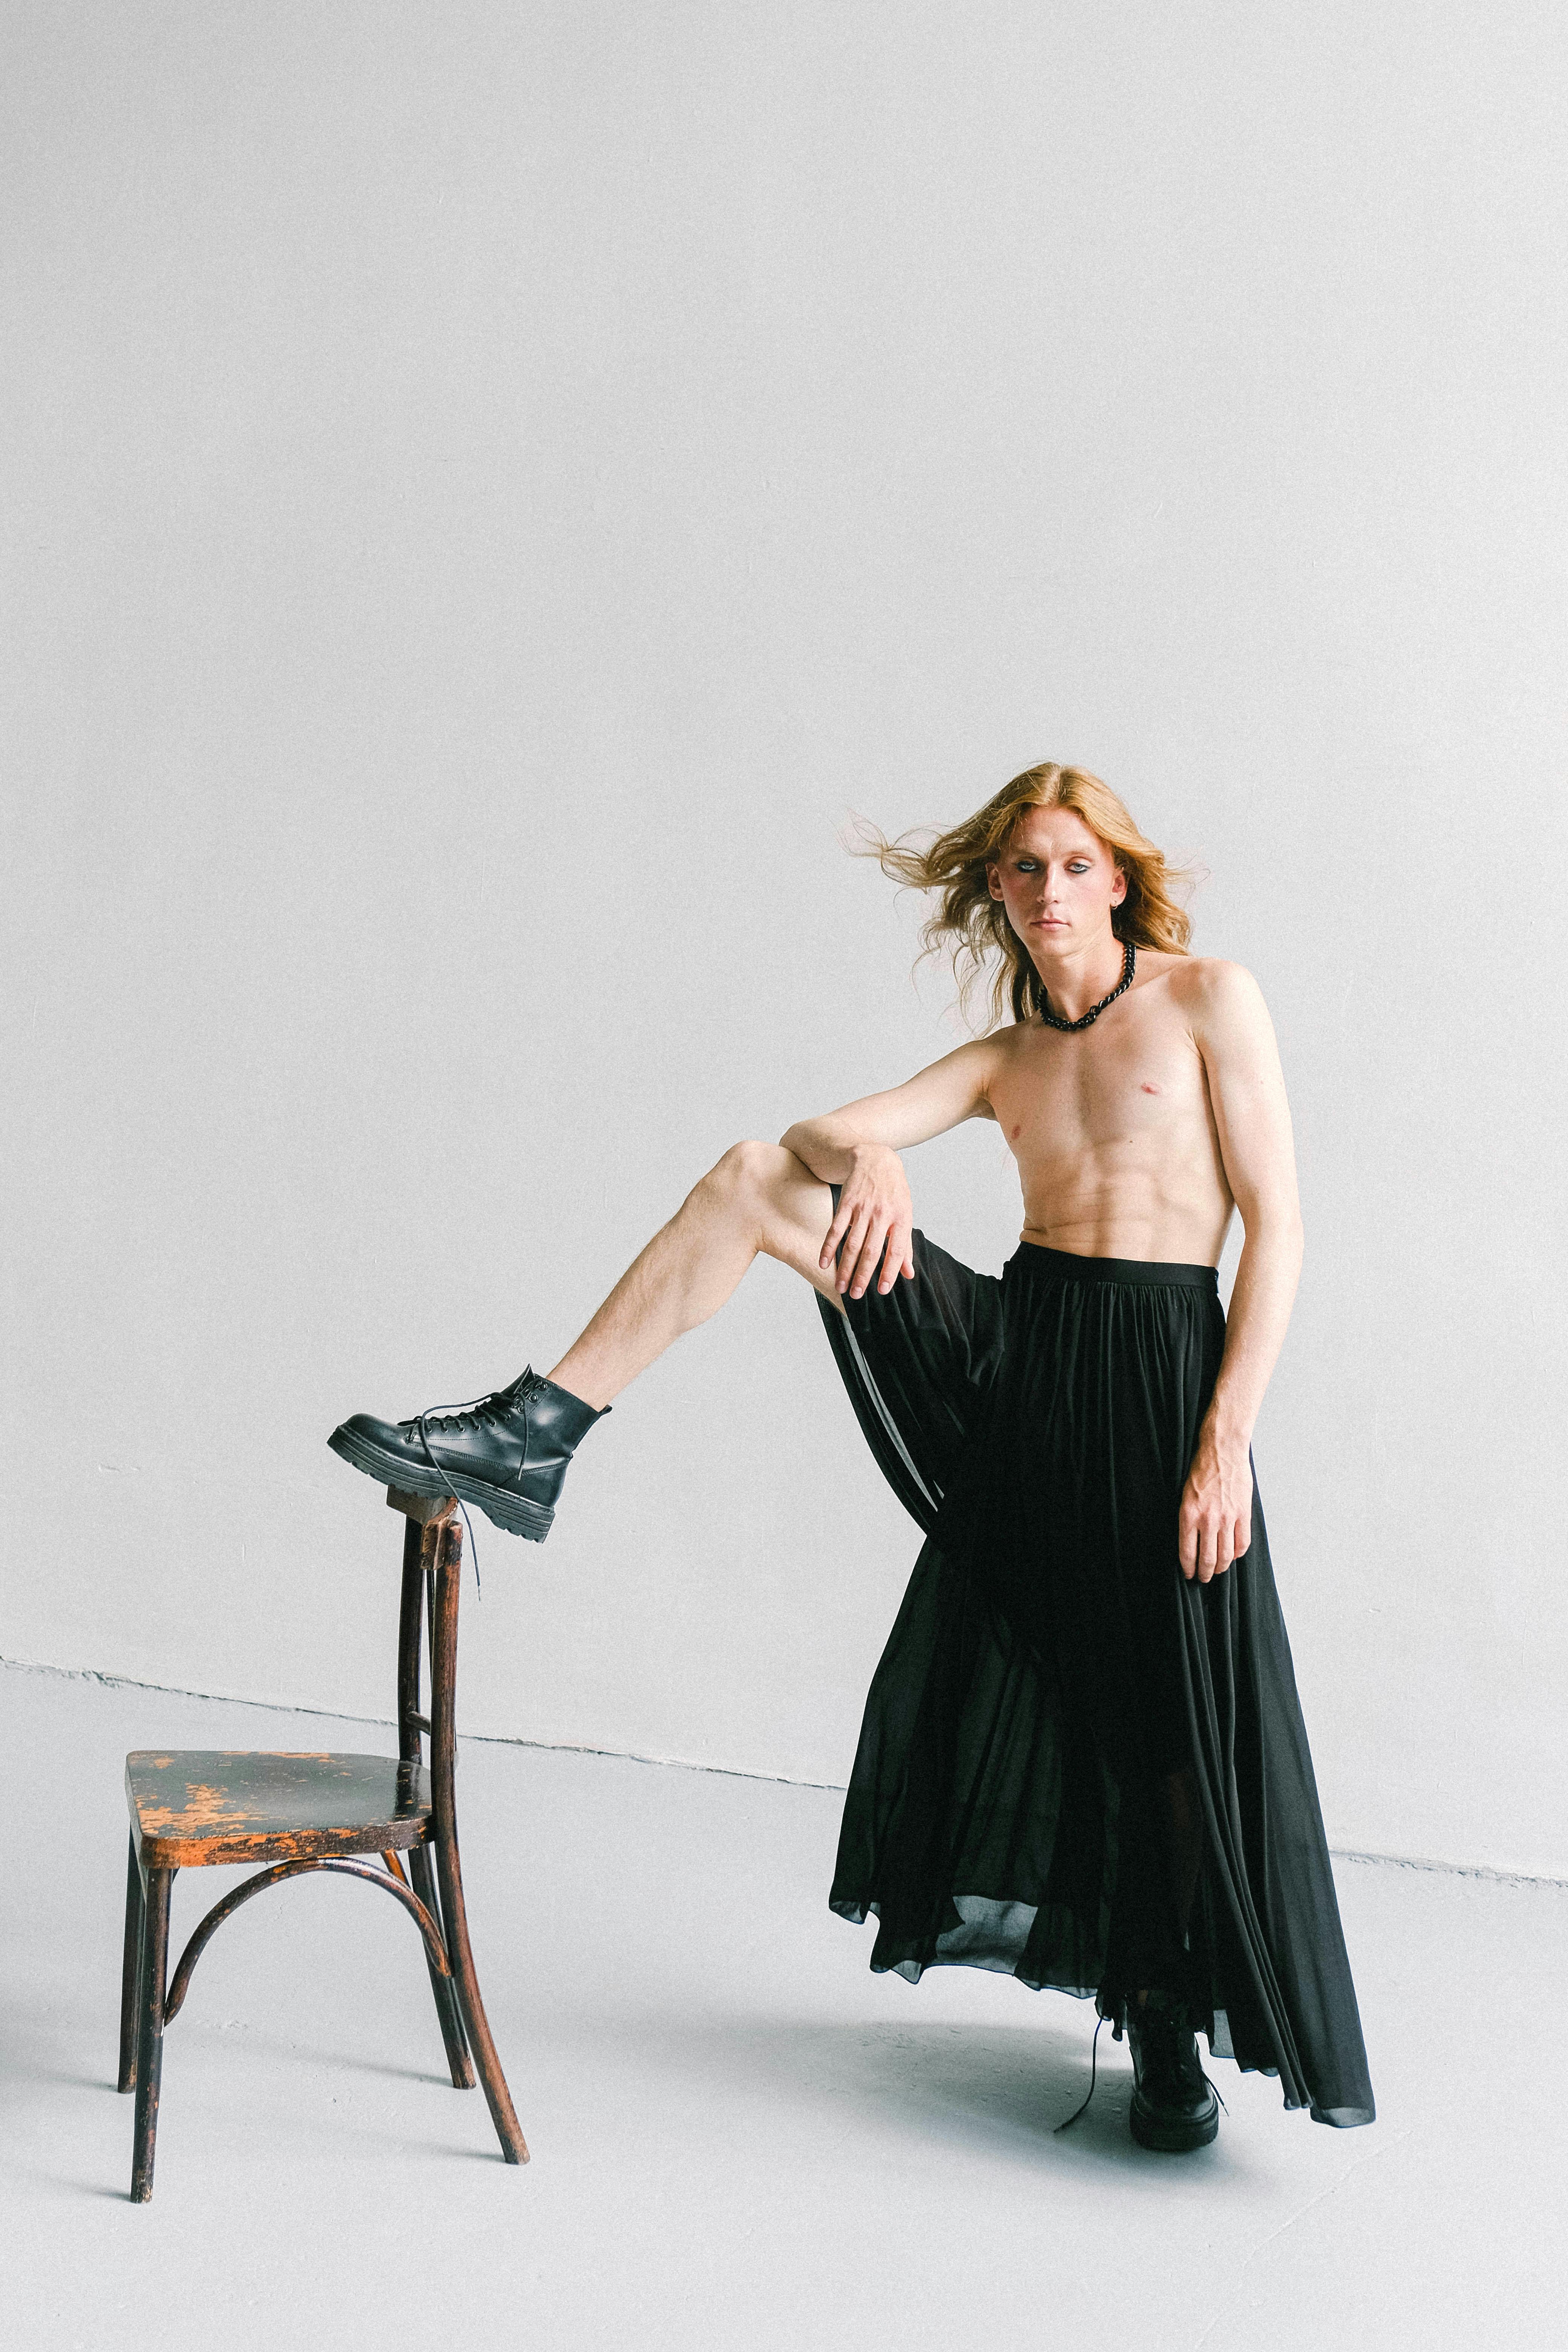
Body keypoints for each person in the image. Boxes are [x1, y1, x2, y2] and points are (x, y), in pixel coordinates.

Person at [329, 761, 1375, 2153]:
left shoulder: (1207, 1000)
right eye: (1023, 871)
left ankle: (1166, 2013)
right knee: (757, 1174)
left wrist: (1227, 1435)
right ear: (996, 894)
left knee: (1155, 1718)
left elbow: (1281, 1226)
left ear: (1116, 878)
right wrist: (871, 1158)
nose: (1049, 892)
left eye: (1073, 866)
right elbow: (826, 1134)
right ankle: (538, 1436)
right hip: (1023, 1362)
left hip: (1161, 1384)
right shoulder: (1009, 1059)